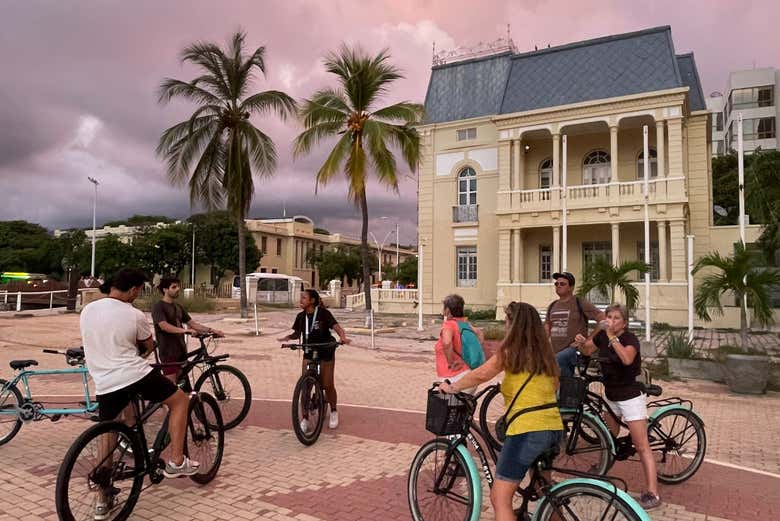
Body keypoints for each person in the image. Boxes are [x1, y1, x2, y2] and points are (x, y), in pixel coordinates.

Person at [80, 269, 199, 520]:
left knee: (109, 432)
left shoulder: (88, 309)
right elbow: (147, 346)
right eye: (139, 290)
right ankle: (177, 461)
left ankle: (102, 500)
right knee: (179, 401)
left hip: (103, 380)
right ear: (133, 289)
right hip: (133, 374)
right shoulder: (133, 314)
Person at [439, 301, 563, 521]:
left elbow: (482, 373)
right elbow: (555, 385)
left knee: (499, 498)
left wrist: (452, 386)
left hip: (527, 430)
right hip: (553, 427)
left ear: (513, 325)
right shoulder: (545, 353)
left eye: (506, 321)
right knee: (546, 490)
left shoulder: (511, 350)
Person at [580, 303, 661, 510]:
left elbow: (626, 359)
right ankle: (602, 468)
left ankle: (653, 492)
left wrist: (611, 336)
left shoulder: (629, 339)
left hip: (630, 396)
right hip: (611, 396)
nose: (612, 321)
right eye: (609, 317)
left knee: (641, 445)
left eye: (616, 318)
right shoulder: (604, 335)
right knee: (608, 438)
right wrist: (584, 341)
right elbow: (588, 349)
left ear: (624, 322)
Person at [277, 289, 350, 429]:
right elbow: (297, 333)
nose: (301, 300)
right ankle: (304, 418)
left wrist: (342, 337)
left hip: (325, 350)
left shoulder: (323, 313)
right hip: (309, 350)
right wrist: (288, 338)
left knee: (328, 384)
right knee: (305, 386)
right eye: (301, 298)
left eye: (304, 298)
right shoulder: (300, 316)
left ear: (312, 301)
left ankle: (334, 410)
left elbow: (337, 328)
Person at [152, 276, 224, 382]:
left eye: (178, 286)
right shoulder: (159, 307)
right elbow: (164, 326)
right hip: (168, 352)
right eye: (174, 287)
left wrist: (212, 330)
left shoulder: (178, 307)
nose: (178, 289)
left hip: (181, 351)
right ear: (165, 289)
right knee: (171, 388)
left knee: (183, 386)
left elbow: (193, 324)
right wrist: (185, 330)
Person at [545, 272, 605, 377]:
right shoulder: (552, 305)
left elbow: (602, 319)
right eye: (556, 284)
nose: (558, 286)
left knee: (558, 363)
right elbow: (546, 329)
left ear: (571, 287)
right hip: (555, 352)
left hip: (574, 351)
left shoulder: (579, 302)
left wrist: (588, 340)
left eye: (562, 284)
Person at [434, 294, 485, 392]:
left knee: (445, 406)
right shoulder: (464, 324)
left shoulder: (448, 325)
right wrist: (473, 352)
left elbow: (447, 343)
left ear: (448, 310)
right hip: (469, 375)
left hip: (454, 378)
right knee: (463, 407)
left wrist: (451, 362)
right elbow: (480, 334)